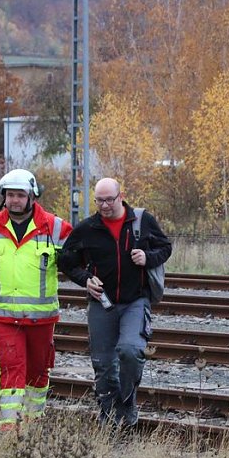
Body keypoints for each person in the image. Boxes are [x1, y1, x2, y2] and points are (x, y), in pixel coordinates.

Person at [58, 178, 172, 429]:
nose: (105, 205)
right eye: (100, 200)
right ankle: (108, 415)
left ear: (121, 196)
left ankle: (127, 403)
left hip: (135, 301)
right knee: (103, 363)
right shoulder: (88, 228)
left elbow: (165, 247)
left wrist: (148, 257)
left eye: (110, 199)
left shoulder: (141, 221)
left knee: (130, 351)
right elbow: (65, 261)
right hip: (102, 303)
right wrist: (85, 279)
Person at [0, 168, 73, 431]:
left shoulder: (56, 227)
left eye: (20, 195)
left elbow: (79, 258)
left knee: (38, 372)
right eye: (10, 195)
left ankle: (33, 423)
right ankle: (9, 429)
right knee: (11, 368)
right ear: (3, 197)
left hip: (42, 318)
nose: (14, 200)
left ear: (32, 196)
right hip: (3, 317)